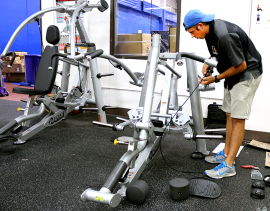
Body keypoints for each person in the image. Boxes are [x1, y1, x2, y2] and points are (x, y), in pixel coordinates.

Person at [183, 9, 263, 179]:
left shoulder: (225, 35)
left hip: (247, 73)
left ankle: (229, 165)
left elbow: (241, 65)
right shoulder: (208, 32)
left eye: (192, 32)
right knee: (229, 114)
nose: (192, 36)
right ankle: (225, 153)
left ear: (199, 25)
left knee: (237, 118)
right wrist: (208, 62)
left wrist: (216, 78)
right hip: (232, 72)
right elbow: (217, 51)